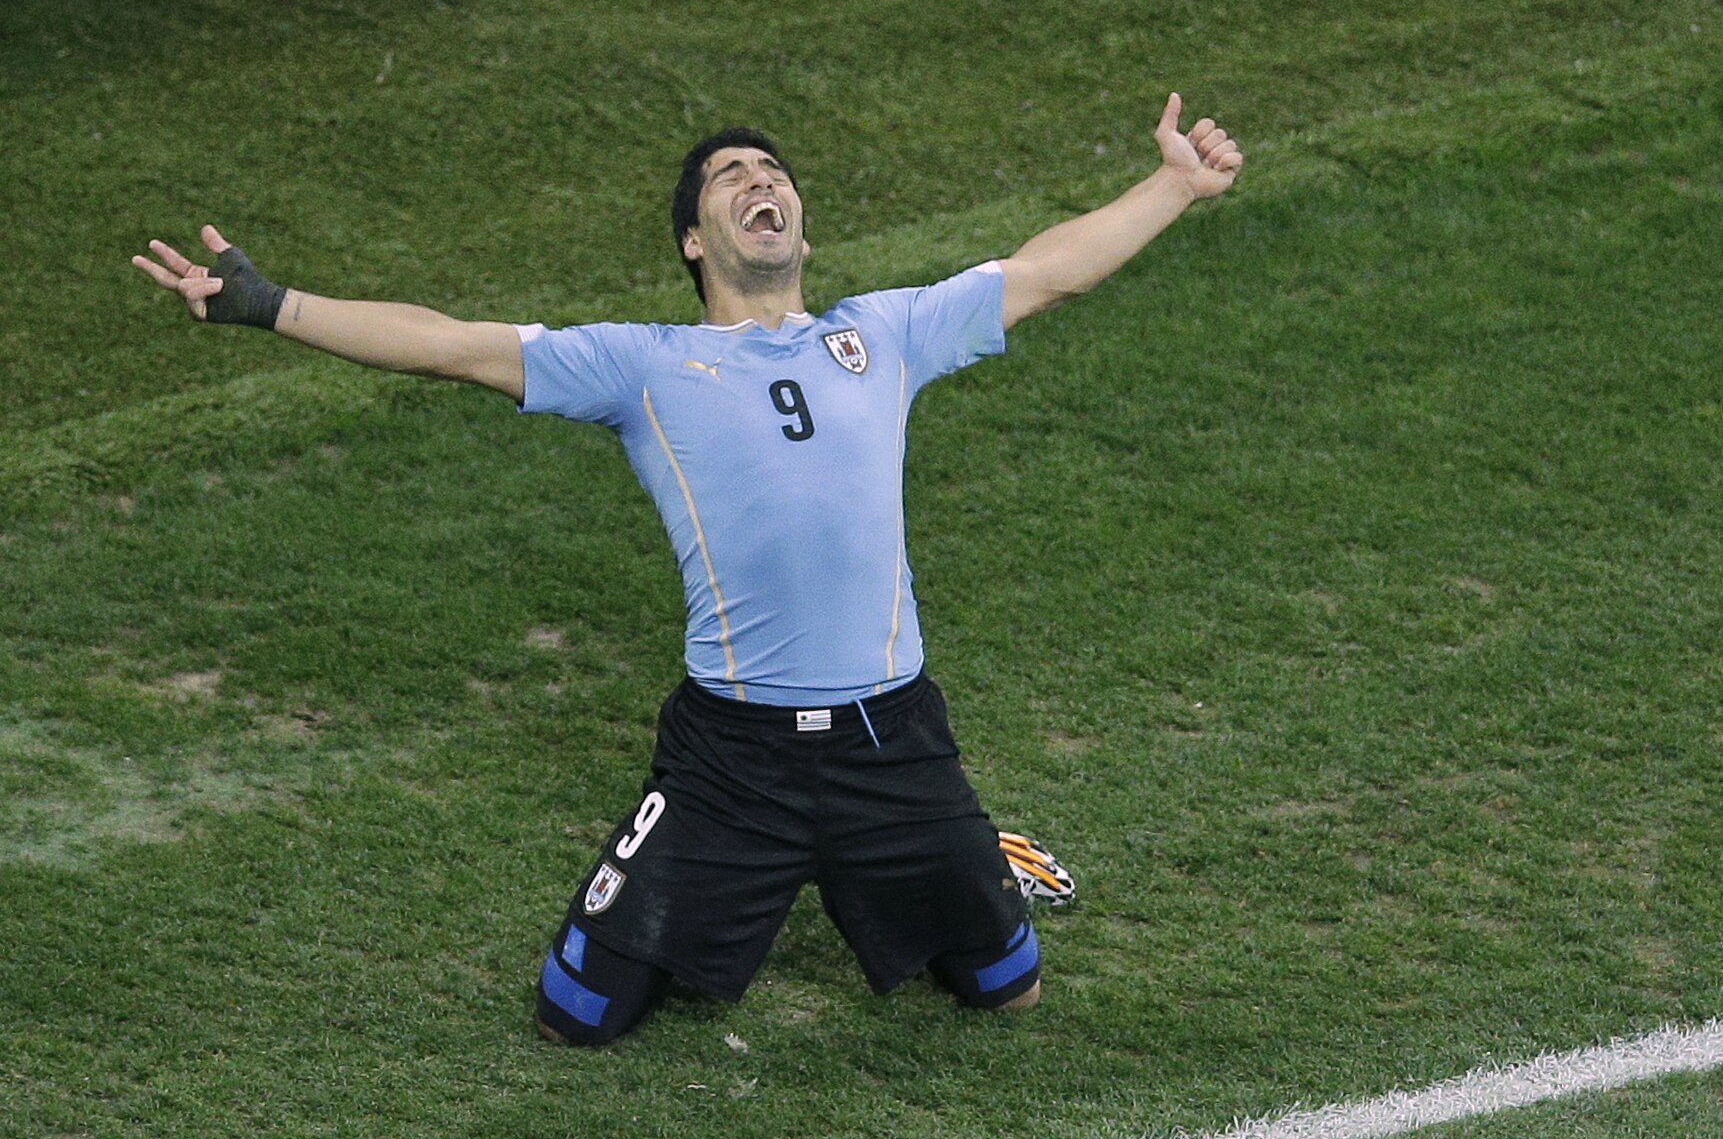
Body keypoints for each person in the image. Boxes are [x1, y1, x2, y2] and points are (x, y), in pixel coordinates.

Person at [133, 92, 1242, 1045]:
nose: (761, 182)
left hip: (891, 741)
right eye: (730, 176)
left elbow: (1046, 272)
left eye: (773, 171)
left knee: (1007, 996)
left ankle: (969, 848)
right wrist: (268, 306)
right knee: (575, 1014)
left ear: (798, 222)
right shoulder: (643, 365)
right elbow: (447, 343)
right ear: (693, 243)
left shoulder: (885, 334)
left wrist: (1173, 186)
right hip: (731, 762)